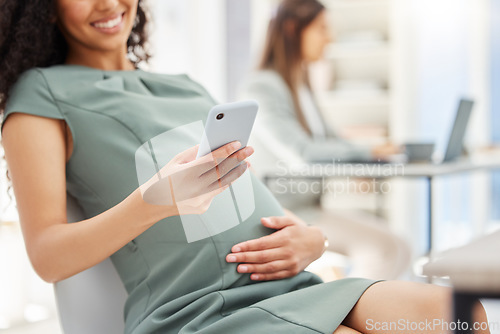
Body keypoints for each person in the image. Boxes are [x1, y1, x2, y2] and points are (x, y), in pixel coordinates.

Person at [0, 0, 489, 333]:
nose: (107, 3)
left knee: (457, 316)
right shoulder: (42, 93)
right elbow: (47, 255)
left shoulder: (187, 86)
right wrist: (154, 202)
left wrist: (310, 237)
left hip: (293, 286)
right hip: (198, 309)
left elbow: (246, 191)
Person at [240, 0, 410, 280]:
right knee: (383, 250)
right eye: (321, 29)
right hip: (287, 211)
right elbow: (302, 153)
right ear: (294, 29)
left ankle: (361, 311)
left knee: (400, 246)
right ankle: (358, 315)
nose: (329, 38)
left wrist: (365, 158)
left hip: (312, 208)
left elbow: (331, 140)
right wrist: (368, 150)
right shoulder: (262, 86)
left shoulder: (299, 83)